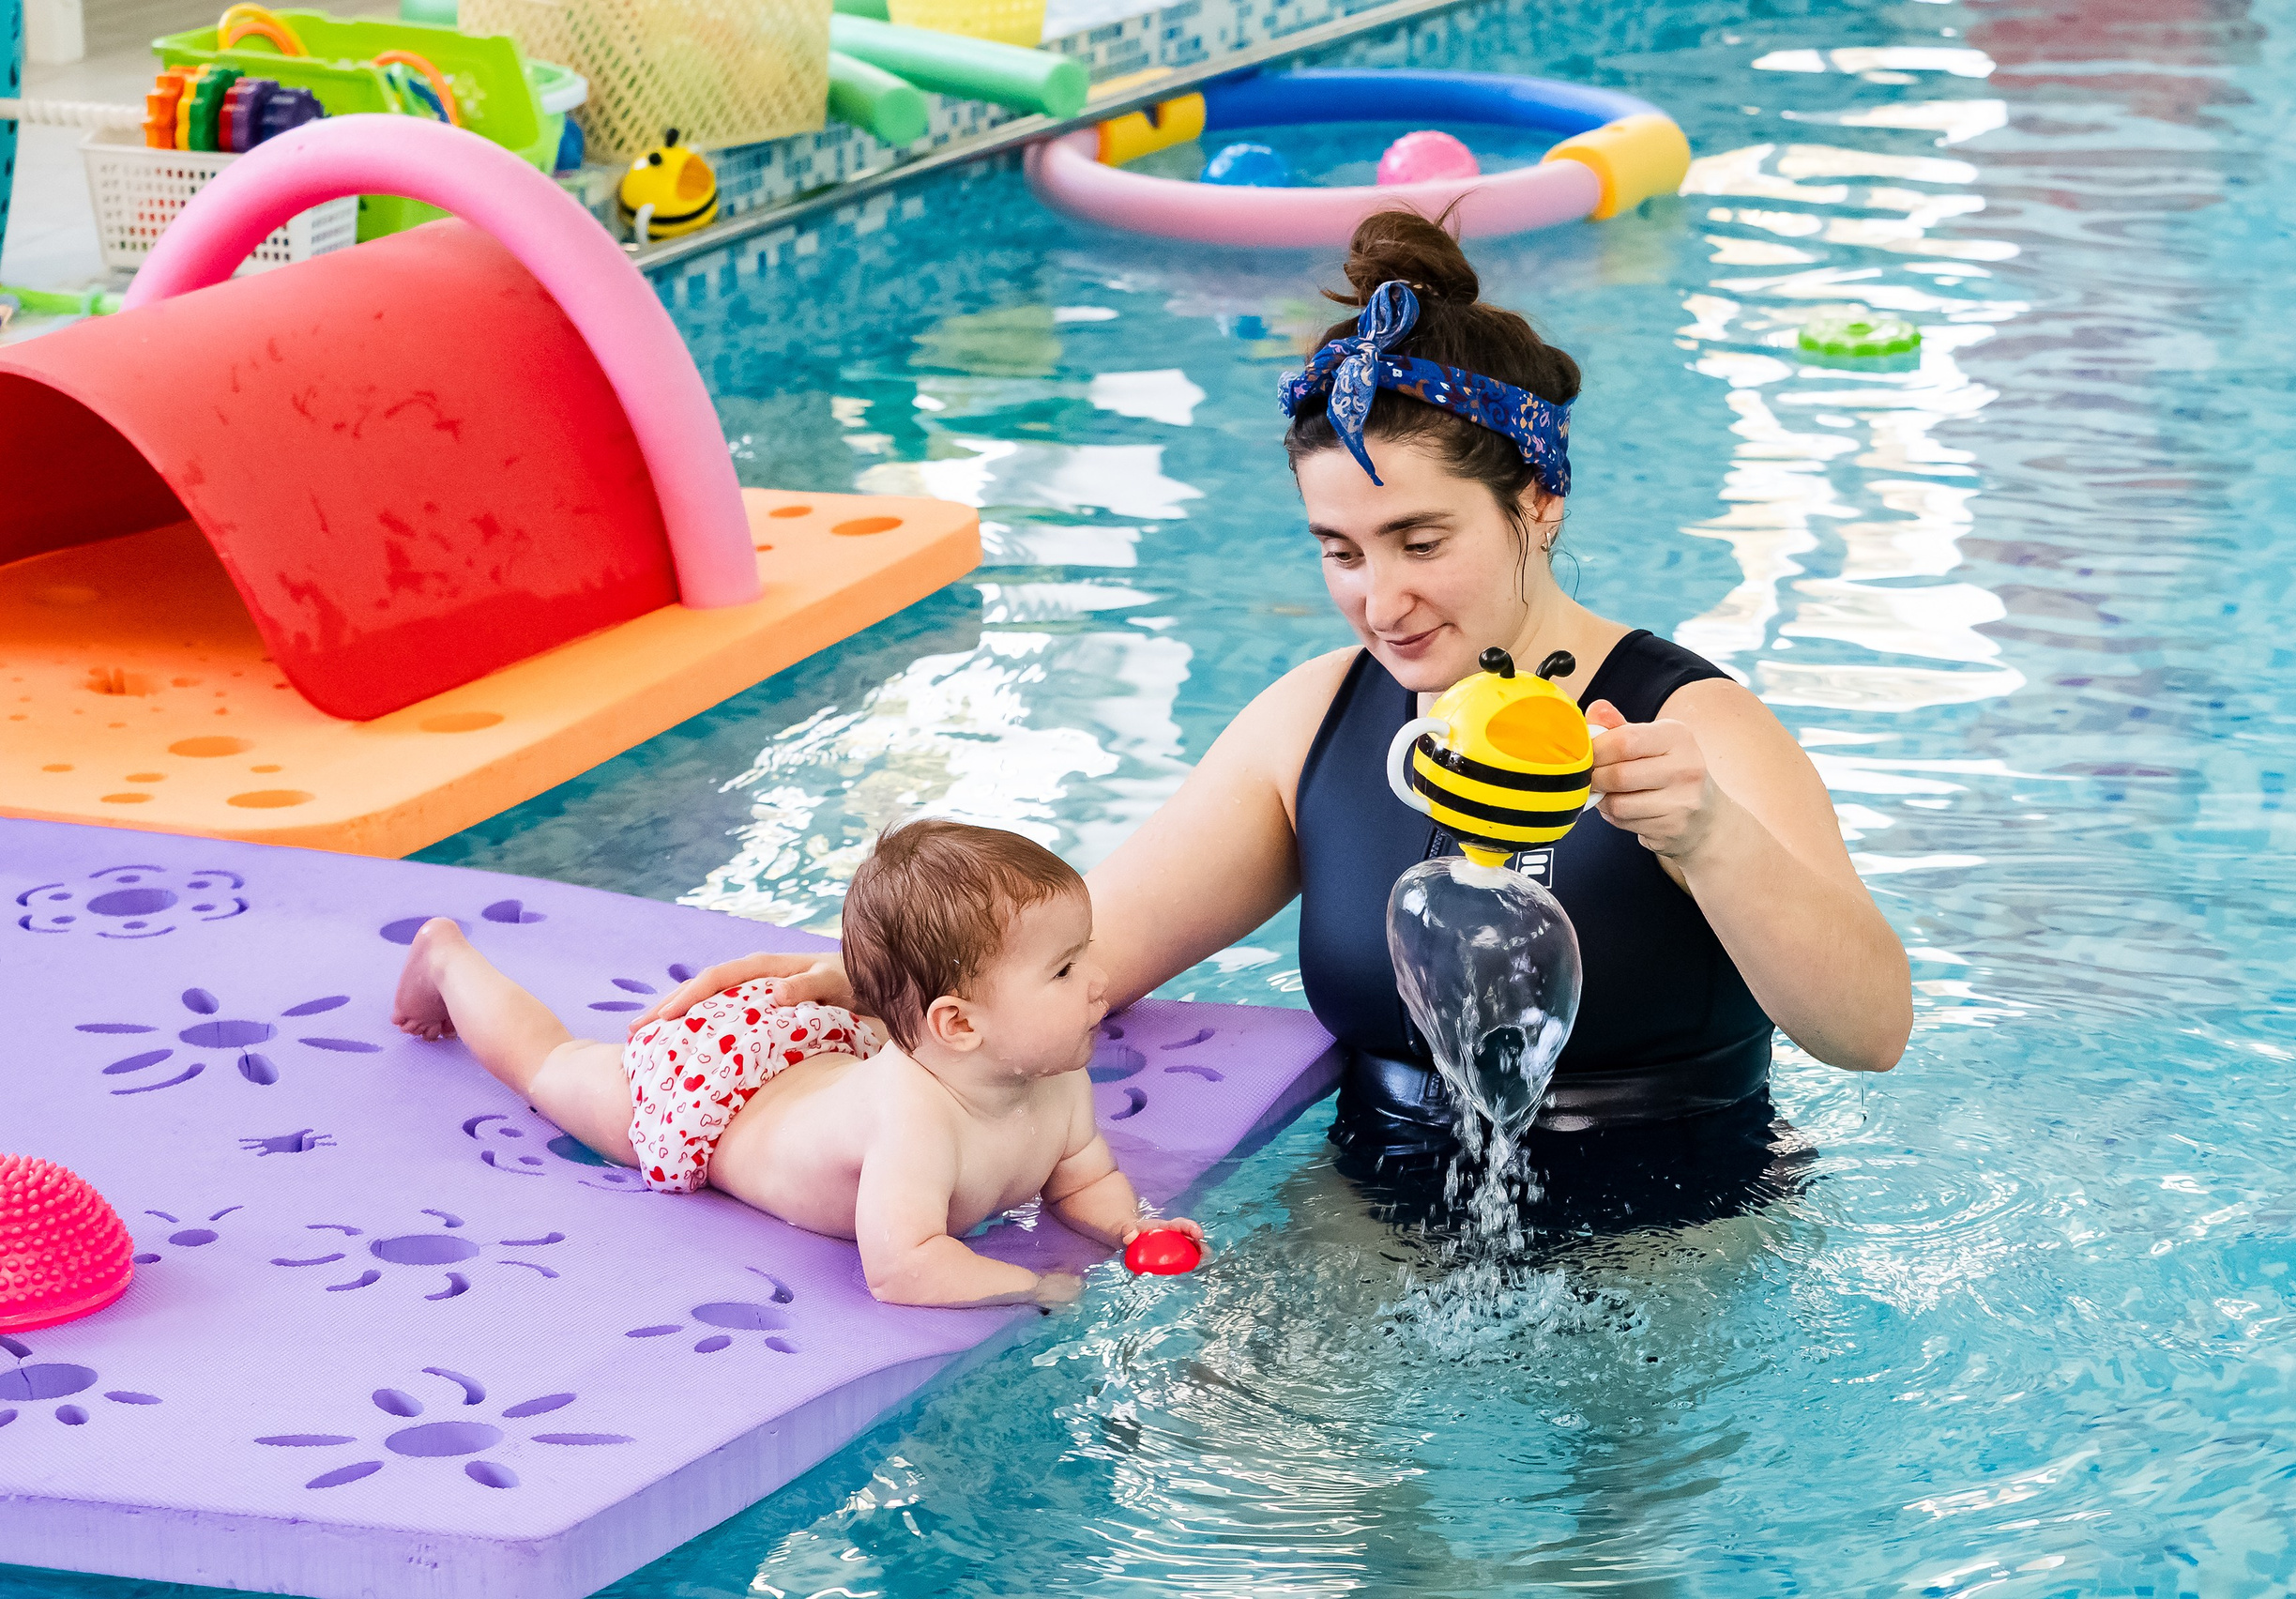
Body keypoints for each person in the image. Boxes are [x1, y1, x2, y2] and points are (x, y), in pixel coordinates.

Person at [631, 211, 1912, 1222]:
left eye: (1421, 539)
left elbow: (1870, 1033)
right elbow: (1095, 950)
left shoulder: (1695, 732)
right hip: (1376, 1207)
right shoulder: (1313, 725)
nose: (1383, 600)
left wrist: (1708, 838)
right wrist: (876, 978)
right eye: (1340, 551)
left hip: (1677, 1221)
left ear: (1536, 505)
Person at [390, 818, 1203, 1308]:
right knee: (550, 1065)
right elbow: (903, 1267)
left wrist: (1130, 1227)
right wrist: (1031, 1288)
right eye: (1065, 969)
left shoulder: (1055, 1074)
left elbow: (1081, 1178)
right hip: (716, 1091)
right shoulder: (915, 1122)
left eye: (1084, 952)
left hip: (825, 1043)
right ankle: (449, 960)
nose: (1099, 979)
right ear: (956, 1023)